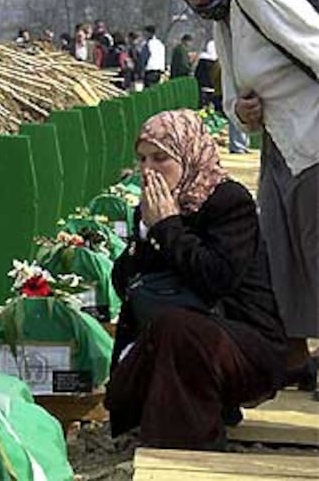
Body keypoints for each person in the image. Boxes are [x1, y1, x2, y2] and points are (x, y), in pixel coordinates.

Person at [168, 0, 319, 389]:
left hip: (313, 139)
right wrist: (244, 112)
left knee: (316, 248)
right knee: (275, 249)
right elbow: (234, 101)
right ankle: (293, 356)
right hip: (278, 148)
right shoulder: (223, 18)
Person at [104, 109, 287, 450]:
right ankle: (203, 406)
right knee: (124, 388)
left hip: (245, 342)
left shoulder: (229, 203)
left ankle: (186, 447)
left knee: (177, 329)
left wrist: (168, 228)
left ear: (188, 155)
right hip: (185, 336)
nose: (148, 170)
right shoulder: (151, 208)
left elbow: (217, 278)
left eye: (160, 158)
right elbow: (124, 284)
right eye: (142, 159)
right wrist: (145, 235)